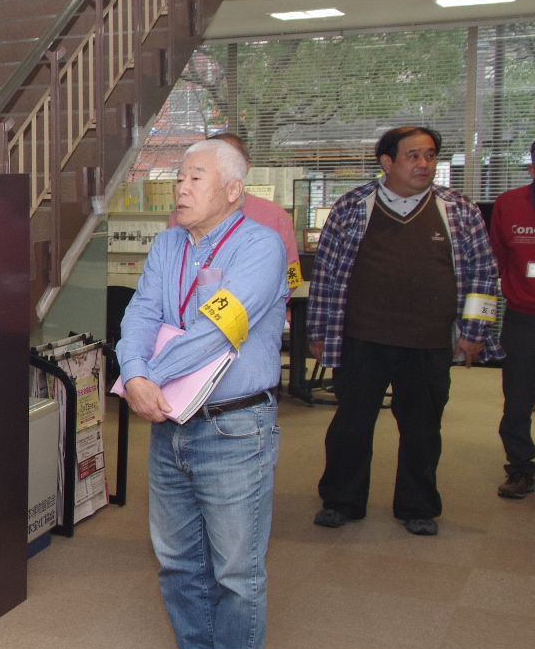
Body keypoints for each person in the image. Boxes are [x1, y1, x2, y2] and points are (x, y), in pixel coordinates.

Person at [119, 139, 288, 649]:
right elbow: (141, 313)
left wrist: (148, 375)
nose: (181, 187)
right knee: (176, 554)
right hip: (171, 421)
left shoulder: (260, 247)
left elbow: (218, 330)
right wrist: (133, 372)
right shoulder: (168, 244)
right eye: (179, 177)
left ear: (234, 191)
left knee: (236, 562)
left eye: (196, 177)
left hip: (235, 425)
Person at [308, 127, 501, 535]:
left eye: (430, 156)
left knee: (422, 428)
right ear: (387, 162)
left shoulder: (459, 209)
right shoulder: (352, 206)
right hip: (362, 338)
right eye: (413, 156)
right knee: (351, 424)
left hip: (428, 341)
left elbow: (483, 274)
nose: (424, 164)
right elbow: (325, 273)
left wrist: (475, 331)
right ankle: (341, 500)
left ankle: (418, 506)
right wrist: (320, 331)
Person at [167, 133, 300, 276]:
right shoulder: (183, 215)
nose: (183, 189)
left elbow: (291, 276)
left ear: (245, 167)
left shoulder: (274, 215)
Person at [491, 146, 535, 499]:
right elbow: (495, 262)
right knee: (518, 401)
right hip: (522, 318)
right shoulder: (509, 204)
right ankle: (521, 467)